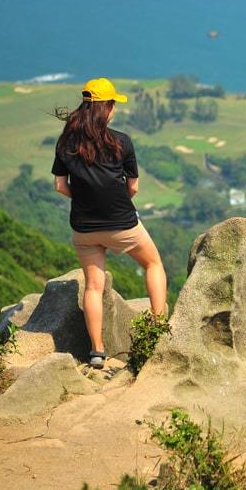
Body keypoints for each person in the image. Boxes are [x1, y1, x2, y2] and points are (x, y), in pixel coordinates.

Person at [51, 77, 167, 369]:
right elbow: (133, 187)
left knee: (93, 286)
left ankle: (97, 352)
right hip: (122, 223)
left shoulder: (66, 142)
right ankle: (159, 329)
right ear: (108, 107)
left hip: (84, 228)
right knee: (153, 264)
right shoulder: (121, 141)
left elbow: (60, 187)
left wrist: (87, 197)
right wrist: (114, 199)